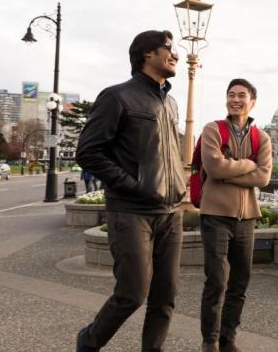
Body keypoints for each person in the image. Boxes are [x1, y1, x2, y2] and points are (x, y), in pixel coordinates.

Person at [74, 30, 187, 352]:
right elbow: (89, 152)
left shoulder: (172, 103)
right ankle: (88, 341)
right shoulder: (117, 96)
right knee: (133, 294)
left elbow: (168, 154)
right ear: (147, 54)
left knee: (166, 297)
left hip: (171, 212)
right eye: (169, 48)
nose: (175, 54)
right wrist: (134, 187)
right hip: (131, 210)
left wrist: (177, 188)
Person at [199, 79, 272, 352]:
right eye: (231, 95)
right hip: (215, 214)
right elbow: (214, 168)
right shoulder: (213, 129)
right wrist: (248, 165)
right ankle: (210, 341)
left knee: (240, 283)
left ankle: (228, 339)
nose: (235, 99)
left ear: (252, 101)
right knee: (217, 281)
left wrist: (230, 170)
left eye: (242, 95)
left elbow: (263, 177)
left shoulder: (261, 137)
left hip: (247, 217)